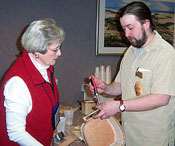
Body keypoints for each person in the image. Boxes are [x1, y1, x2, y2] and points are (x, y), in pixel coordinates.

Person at [89, 1, 175, 146]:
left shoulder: (166, 54)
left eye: (130, 28)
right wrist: (105, 88)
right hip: (129, 133)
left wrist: (119, 106)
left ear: (146, 24)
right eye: (124, 29)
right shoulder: (131, 50)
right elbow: (122, 85)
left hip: (153, 138)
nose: (126, 34)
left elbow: (161, 98)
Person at [0, 18, 65, 146]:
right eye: (55, 49)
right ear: (36, 51)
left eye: (60, 47)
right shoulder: (17, 83)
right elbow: (15, 133)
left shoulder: (45, 67)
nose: (60, 53)